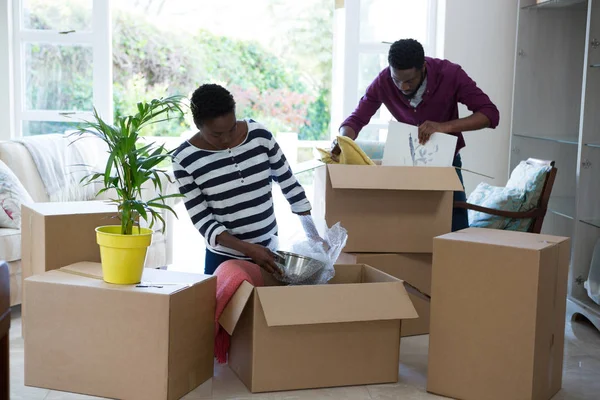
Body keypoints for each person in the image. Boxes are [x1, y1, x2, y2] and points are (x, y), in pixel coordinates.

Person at [333, 38, 500, 231]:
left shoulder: (451, 74)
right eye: (397, 80)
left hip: (446, 163)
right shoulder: (384, 80)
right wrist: (343, 140)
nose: (403, 87)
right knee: (405, 231)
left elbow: (490, 114)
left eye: (409, 81)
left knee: (457, 228)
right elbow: (356, 119)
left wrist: (443, 127)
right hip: (404, 165)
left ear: (423, 67)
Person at [173, 84, 312, 275]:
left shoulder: (259, 136)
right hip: (222, 260)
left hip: (269, 253)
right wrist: (248, 249)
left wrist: (314, 236)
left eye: (232, 128)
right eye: (217, 134)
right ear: (198, 125)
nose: (227, 139)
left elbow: (289, 183)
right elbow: (203, 220)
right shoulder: (184, 159)